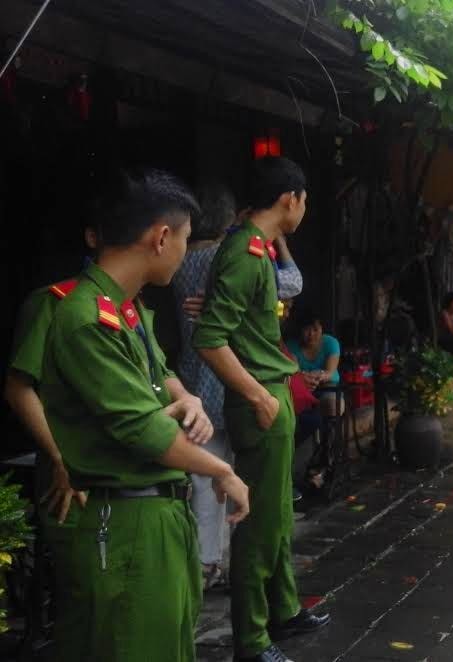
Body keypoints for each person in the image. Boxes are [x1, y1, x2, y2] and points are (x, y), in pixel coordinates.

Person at [38, 169, 250, 662]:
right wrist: (221, 468)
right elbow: (142, 427)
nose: (184, 251)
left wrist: (188, 399)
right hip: (128, 517)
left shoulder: (123, 309)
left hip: (157, 513)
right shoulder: (87, 318)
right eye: (184, 239)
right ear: (161, 237)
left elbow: (159, 380)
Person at [194, 157, 330, 662]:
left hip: (271, 394)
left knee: (277, 516)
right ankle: (251, 640)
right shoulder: (246, 254)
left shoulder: (255, 248)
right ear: (290, 198)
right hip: (262, 402)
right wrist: (256, 394)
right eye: (305, 200)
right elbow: (210, 336)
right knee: (258, 525)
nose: (304, 209)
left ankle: (284, 611)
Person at [171, 184, 244, 589]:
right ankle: (231, 559)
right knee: (230, 471)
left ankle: (206, 561)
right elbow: (290, 284)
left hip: (191, 373)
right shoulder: (223, 256)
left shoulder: (181, 259)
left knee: (203, 473)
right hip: (227, 373)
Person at [6, 223, 100, 526]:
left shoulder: (133, 307)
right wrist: (62, 457)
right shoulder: (54, 301)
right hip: (73, 474)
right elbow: (18, 388)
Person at [285, 307, 343, 415]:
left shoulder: (331, 343)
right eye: (307, 330)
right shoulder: (291, 346)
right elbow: (294, 373)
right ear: (300, 330)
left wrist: (319, 376)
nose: (311, 334)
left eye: (315, 329)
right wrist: (303, 379)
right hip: (301, 389)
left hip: (328, 388)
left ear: (322, 329)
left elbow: (330, 372)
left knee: (333, 404)